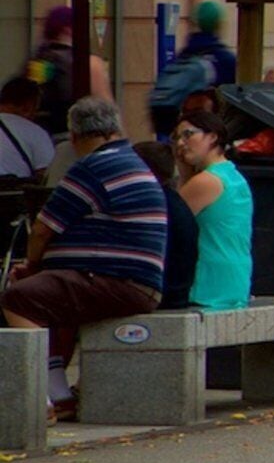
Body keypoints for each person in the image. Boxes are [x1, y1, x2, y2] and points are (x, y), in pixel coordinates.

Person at [5, 100, 172, 418]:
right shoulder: (132, 161)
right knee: (51, 296)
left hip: (114, 281)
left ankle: (39, 399)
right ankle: (60, 394)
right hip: (138, 283)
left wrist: (33, 266)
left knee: (18, 298)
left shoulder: (93, 167)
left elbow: (42, 229)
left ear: (75, 135)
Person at [164, 113, 254, 313]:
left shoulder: (206, 181)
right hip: (234, 278)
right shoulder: (232, 175)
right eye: (176, 137)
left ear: (213, 137)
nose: (181, 143)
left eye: (188, 135)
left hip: (208, 283)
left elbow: (169, 223)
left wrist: (183, 173)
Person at [147, 1, 237, 138]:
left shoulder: (184, 55)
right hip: (206, 135)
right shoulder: (225, 60)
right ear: (219, 25)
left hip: (178, 132)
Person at [0, 79, 58, 186]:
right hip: (11, 197)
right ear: (28, 106)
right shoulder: (36, 133)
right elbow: (47, 176)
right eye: (36, 108)